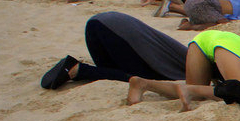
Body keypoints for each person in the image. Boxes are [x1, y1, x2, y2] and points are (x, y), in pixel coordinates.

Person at [126, 29, 240, 109]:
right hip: (229, 44)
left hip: (204, 39)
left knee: (195, 92)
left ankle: (144, 84)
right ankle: (189, 90)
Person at [41, 13, 191, 89]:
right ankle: (78, 70)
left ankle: (79, 70)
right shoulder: (195, 61)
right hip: (111, 30)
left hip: (104, 24)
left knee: (113, 72)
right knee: (141, 80)